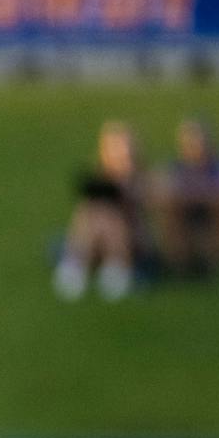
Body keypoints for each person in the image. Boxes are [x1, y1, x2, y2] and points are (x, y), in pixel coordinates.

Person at [53, 121, 153, 302]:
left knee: (108, 215)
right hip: (96, 242)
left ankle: (85, 265)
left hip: (132, 242)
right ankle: (87, 264)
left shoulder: (143, 179)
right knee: (97, 211)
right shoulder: (100, 179)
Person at [151, 117, 219, 278]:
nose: (195, 148)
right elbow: (158, 193)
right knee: (170, 213)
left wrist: (199, 197)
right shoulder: (175, 168)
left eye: (199, 142)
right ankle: (180, 262)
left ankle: (213, 260)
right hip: (183, 218)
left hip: (213, 219)